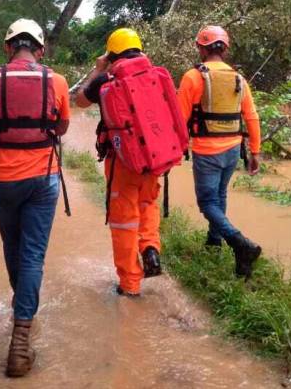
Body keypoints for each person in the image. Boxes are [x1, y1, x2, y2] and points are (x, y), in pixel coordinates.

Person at [0, 18, 71, 377]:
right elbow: (61, 127)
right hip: (44, 180)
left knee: (13, 247)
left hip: (3, 180)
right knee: (32, 256)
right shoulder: (57, 81)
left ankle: (21, 309)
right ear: (40, 50)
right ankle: (22, 334)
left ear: (8, 48)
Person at [75, 28, 187, 297]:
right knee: (147, 203)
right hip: (154, 158)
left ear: (111, 53)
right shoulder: (155, 75)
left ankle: (130, 284)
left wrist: (97, 68)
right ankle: (150, 248)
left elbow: (78, 101)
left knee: (124, 221)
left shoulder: (105, 79)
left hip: (122, 162)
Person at [176, 25, 262, 279]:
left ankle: (240, 244)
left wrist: (178, 147)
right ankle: (214, 242)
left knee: (207, 203)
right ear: (224, 49)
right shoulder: (239, 79)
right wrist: (255, 152)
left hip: (207, 150)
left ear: (201, 47)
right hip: (233, 150)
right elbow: (252, 116)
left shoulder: (193, 77)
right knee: (220, 195)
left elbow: (180, 119)